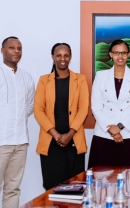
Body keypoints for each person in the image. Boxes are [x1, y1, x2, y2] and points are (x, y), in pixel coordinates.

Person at [34, 43, 89, 190]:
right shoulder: (44, 80)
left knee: (75, 188)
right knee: (52, 188)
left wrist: (70, 133)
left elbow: (83, 109)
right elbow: (38, 109)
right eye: (58, 55)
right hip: (51, 143)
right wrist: (56, 135)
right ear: (53, 57)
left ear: (70, 57)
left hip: (74, 142)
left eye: (66, 55)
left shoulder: (81, 79)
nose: (62, 59)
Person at [88, 39, 130, 168]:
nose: (120, 56)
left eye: (123, 53)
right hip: (104, 134)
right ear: (110, 54)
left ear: (128, 55)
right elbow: (96, 106)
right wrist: (112, 130)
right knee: (102, 179)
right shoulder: (100, 76)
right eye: (116, 53)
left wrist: (119, 127)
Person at [0, 36, 35, 208]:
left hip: (20, 141)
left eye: (19, 48)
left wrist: (16, 118)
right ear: (2, 50)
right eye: (11, 48)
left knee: (13, 188)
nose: (16, 51)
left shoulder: (27, 77)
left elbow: (30, 105)